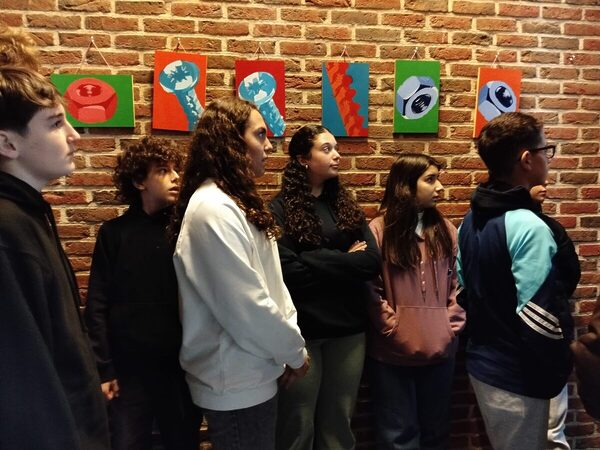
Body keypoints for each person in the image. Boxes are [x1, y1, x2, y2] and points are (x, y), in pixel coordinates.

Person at [170, 97, 309, 450]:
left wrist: (289, 346)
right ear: (231, 141)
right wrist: (293, 351)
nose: (269, 146)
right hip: (234, 379)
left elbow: (272, 285)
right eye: (260, 135)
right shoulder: (213, 209)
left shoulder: (233, 201)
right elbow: (247, 306)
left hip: (253, 370)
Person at [0, 66, 110, 449]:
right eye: (55, 123)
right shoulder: (8, 229)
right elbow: (24, 376)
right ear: (7, 143)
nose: (74, 136)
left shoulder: (28, 214)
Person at [457, 112, 574, 450]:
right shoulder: (529, 226)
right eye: (545, 150)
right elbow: (538, 315)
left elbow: (463, 293)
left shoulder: (469, 220)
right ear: (527, 159)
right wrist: (558, 366)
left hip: (483, 363)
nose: (548, 158)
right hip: (517, 373)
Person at [84, 138, 201, 450]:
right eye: (163, 170)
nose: (175, 177)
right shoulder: (114, 234)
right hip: (129, 370)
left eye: (176, 169)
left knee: (183, 441)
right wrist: (104, 369)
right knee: (127, 442)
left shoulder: (186, 231)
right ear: (139, 181)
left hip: (179, 367)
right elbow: (97, 305)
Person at [269, 124, 381, 450]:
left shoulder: (344, 205)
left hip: (348, 331)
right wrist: (345, 261)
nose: (337, 155)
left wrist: (313, 257)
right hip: (303, 333)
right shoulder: (279, 209)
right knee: (297, 424)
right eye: (326, 149)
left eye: (337, 148)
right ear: (303, 159)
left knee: (338, 425)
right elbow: (289, 273)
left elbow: (370, 262)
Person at [367, 153, 466, 450]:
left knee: (436, 433)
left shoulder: (446, 230)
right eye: (430, 180)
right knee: (397, 436)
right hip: (392, 354)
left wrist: (449, 327)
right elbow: (370, 289)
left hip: (440, 350)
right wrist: (392, 328)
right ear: (406, 185)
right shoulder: (379, 231)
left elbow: (459, 285)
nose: (440, 188)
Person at [529, 182, 580, 450]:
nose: (544, 183)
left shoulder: (551, 227)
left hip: (552, 333)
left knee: (552, 427)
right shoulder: (492, 227)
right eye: (535, 181)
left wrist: (553, 302)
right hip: (514, 342)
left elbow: (570, 273)